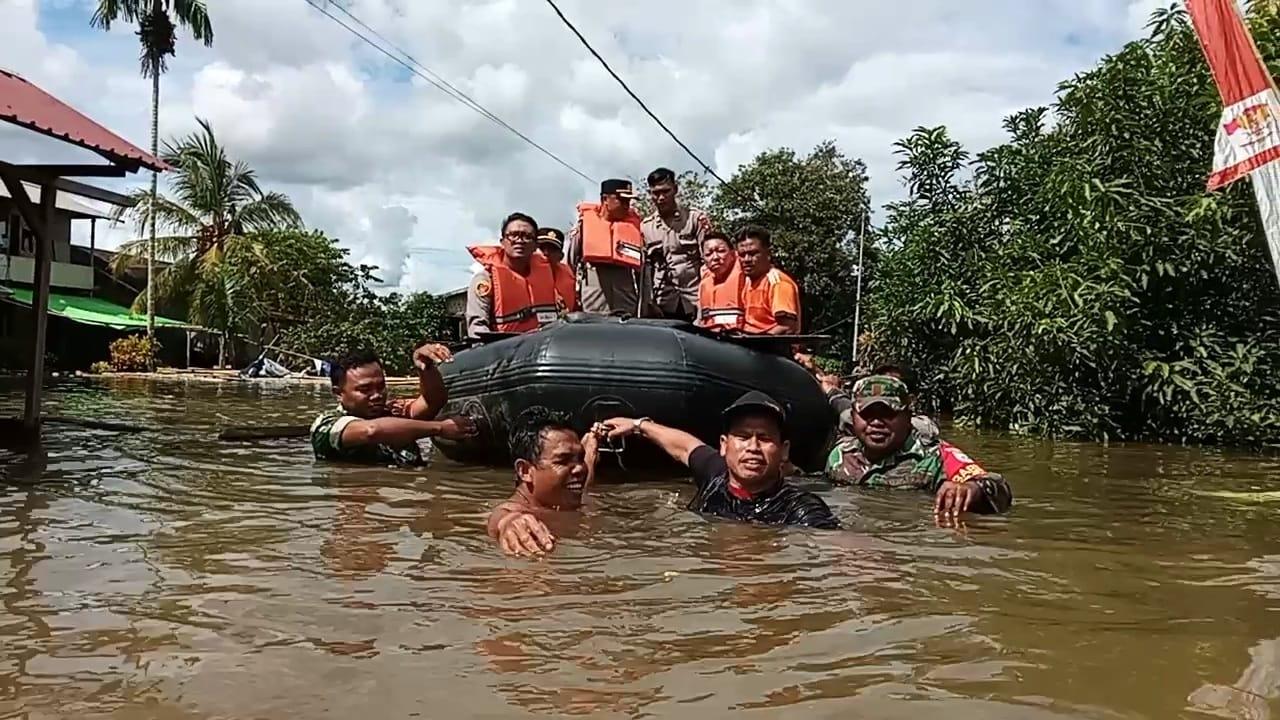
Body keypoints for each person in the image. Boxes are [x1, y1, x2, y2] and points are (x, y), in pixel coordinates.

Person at [598, 391, 840, 529]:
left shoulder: (801, 510)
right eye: (743, 437)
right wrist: (639, 425)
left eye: (764, 438)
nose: (753, 447)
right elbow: (685, 447)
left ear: (784, 451)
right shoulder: (715, 476)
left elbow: (834, 545)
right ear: (724, 446)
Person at [826, 374, 1013, 517]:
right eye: (867, 414)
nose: (876, 422)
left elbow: (999, 488)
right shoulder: (839, 454)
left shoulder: (936, 456)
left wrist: (973, 489)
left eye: (887, 413)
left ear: (908, 416)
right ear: (853, 417)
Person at [311, 345, 477, 466]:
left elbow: (433, 401)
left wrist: (425, 367)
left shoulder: (392, 411)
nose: (376, 395)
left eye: (381, 386)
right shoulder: (326, 425)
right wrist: (440, 428)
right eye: (365, 389)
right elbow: (372, 431)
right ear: (338, 392)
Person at [487, 407, 602, 557]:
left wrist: (590, 454)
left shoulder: (566, 496)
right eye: (563, 460)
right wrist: (509, 523)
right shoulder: (517, 512)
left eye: (580, 458)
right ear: (525, 471)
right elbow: (501, 517)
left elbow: (584, 485)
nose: (580, 469)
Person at [466, 212, 574, 339]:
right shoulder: (485, 280)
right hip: (504, 351)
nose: (519, 240)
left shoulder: (552, 275)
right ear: (503, 242)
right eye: (513, 235)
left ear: (535, 245)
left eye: (527, 236)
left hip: (544, 349)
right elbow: (477, 328)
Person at [640, 167, 712, 320]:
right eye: (655, 193)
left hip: (695, 298)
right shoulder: (645, 227)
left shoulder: (694, 219)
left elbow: (710, 262)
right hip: (663, 302)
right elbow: (645, 271)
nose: (660, 198)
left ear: (675, 189)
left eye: (665, 191)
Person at [567, 179, 644, 316]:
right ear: (605, 199)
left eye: (628, 201)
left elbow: (643, 272)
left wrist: (645, 303)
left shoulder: (635, 227)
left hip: (625, 300)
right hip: (594, 299)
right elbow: (570, 266)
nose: (627, 206)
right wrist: (571, 299)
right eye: (622, 200)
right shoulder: (584, 226)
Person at [735, 226, 801, 335]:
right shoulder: (747, 282)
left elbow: (787, 328)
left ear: (768, 253)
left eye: (753, 253)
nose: (746, 260)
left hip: (771, 349)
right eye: (742, 255)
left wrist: (755, 344)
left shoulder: (778, 283)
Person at [696, 231, 745, 331]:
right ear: (703, 259)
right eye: (709, 254)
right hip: (711, 341)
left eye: (721, 251)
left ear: (732, 254)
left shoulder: (748, 277)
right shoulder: (704, 284)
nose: (715, 257)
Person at [537, 226, 578, 315]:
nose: (546, 253)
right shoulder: (521, 275)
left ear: (561, 256)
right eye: (542, 248)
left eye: (552, 249)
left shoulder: (570, 276)